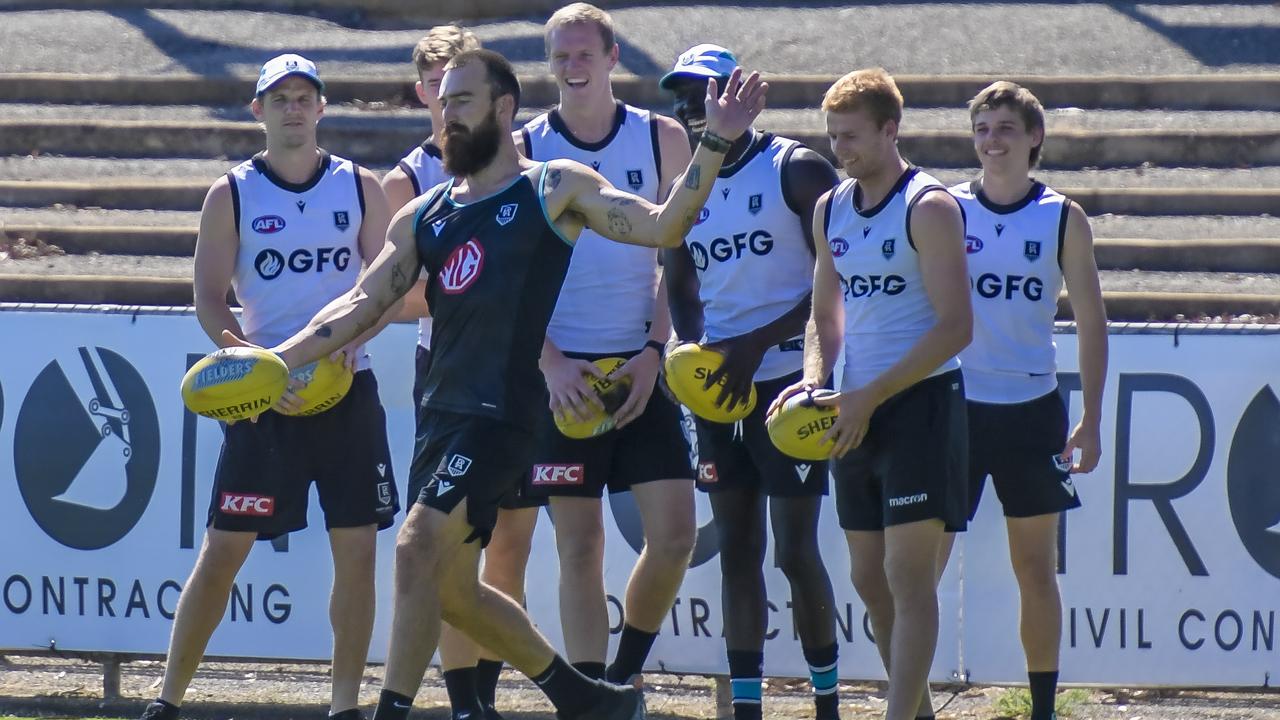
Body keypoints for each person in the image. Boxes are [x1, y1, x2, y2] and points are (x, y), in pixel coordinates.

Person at [258, 49, 767, 720]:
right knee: (452, 590)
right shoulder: (426, 214)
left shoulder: (553, 187)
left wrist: (714, 141)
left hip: (501, 416)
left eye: (462, 102)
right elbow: (359, 304)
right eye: (442, 104)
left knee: (414, 550)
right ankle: (584, 699)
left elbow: (665, 225)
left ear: (503, 108)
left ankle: (391, 712)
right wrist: (276, 361)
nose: (448, 115)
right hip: (440, 414)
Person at [139, 54, 399, 720]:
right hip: (265, 404)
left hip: (349, 392)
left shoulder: (359, 186)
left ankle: (345, 706)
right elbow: (208, 300)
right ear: (257, 110)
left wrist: (346, 349)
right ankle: (167, 701)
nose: (292, 107)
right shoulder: (232, 192)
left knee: (358, 552)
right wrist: (258, 366)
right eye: (278, 97)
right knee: (223, 550)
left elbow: (387, 288)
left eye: (303, 96)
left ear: (320, 107)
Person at [772, 68, 972, 720]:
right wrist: (814, 378)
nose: (840, 151)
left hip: (919, 403)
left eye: (852, 137)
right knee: (866, 578)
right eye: (833, 137)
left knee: (908, 577)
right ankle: (916, 713)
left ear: (891, 130)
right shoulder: (831, 206)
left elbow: (956, 327)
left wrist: (874, 394)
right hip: (852, 406)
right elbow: (822, 314)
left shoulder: (930, 205)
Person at [515, 2, 697, 689]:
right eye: (560, 56)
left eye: (585, 53)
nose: (572, 67)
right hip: (563, 372)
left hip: (640, 365)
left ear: (614, 57)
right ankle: (590, 694)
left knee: (675, 534)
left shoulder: (661, 138)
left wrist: (654, 350)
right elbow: (514, 278)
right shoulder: (527, 146)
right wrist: (551, 361)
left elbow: (676, 260)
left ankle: (620, 678)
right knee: (579, 544)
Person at [660, 43, 843, 720]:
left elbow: (838, 283)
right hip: (722, 388)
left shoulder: (794, 169)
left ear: (733, 94)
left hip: (793, 380)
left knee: (795, 552)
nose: (688, 107)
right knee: (737, 549)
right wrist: (696, 353)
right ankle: (745, 709)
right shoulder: (687, 187)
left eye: (700, 92)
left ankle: (827, 702)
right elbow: (678, 288)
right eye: (679, 97)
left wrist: (757, 344)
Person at [381, 26, 538, 720]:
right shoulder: (413, 181)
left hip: (515, 368)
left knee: (502, 547)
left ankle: (500, 695)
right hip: (443, 368)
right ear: (425, 91)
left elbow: (529, 277)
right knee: (437, 555)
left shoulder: (524, 166)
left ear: (498, 100)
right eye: (440, 84)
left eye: (464, 85)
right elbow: (393, 293)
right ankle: (470, 700)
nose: (450, 101)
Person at [944, 81, 1107, 720]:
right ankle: (912, 698)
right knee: (921, 565)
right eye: (983, 128)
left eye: (1006, 127)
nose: (993, 140)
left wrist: (1091, 419)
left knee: (1035, 570)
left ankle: (1041, 707)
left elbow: (1093, 322)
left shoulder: (1061, 216)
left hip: (1033, 411)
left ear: (1034, 137)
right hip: (955, 407)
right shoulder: (947, 208)